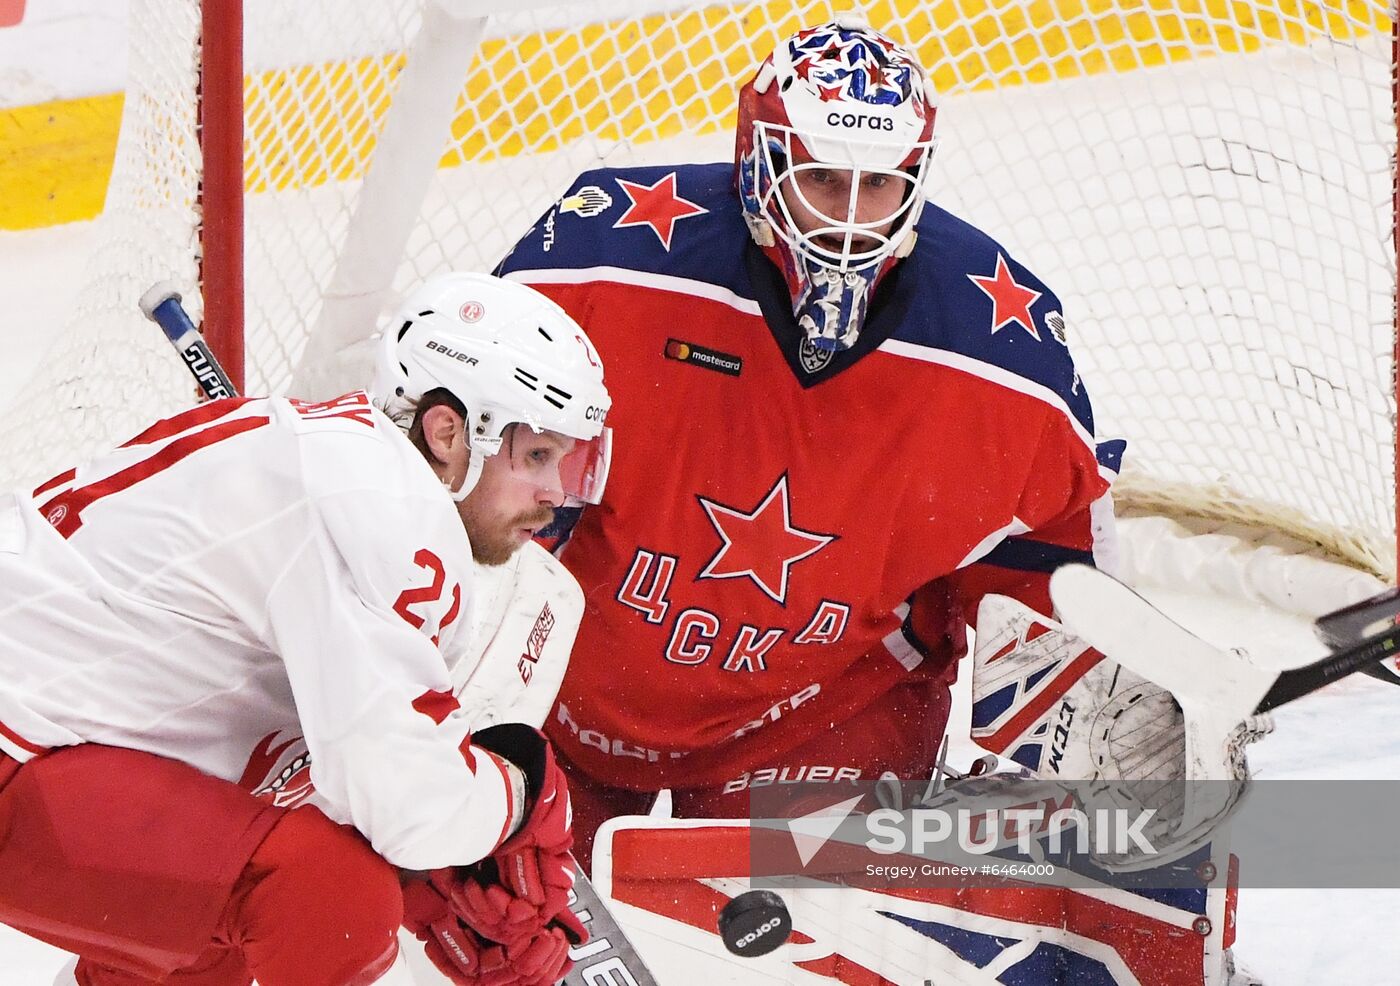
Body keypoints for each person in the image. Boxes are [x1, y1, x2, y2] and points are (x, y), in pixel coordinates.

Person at [496, 16, 1121, 863]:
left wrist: (1065, 757)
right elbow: (472, 498)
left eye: (881, 186)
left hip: (825, 715)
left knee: (802, 953)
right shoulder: (597, 268)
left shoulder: (1006, 360)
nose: (852, 222)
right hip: (565, 701)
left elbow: (1052, 563)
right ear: (759, 162)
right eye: (824, 179)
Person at [0, 273, 612, 986]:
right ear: (448, 433)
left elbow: (349, 777)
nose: (556, 494)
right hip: (20, 751)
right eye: (537, 456)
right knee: (328, 893)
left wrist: (424, 847)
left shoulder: (340, 468)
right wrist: (515, 799)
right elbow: (402, 796)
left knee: (244, 875)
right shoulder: (381, 504)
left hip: (47, 747)